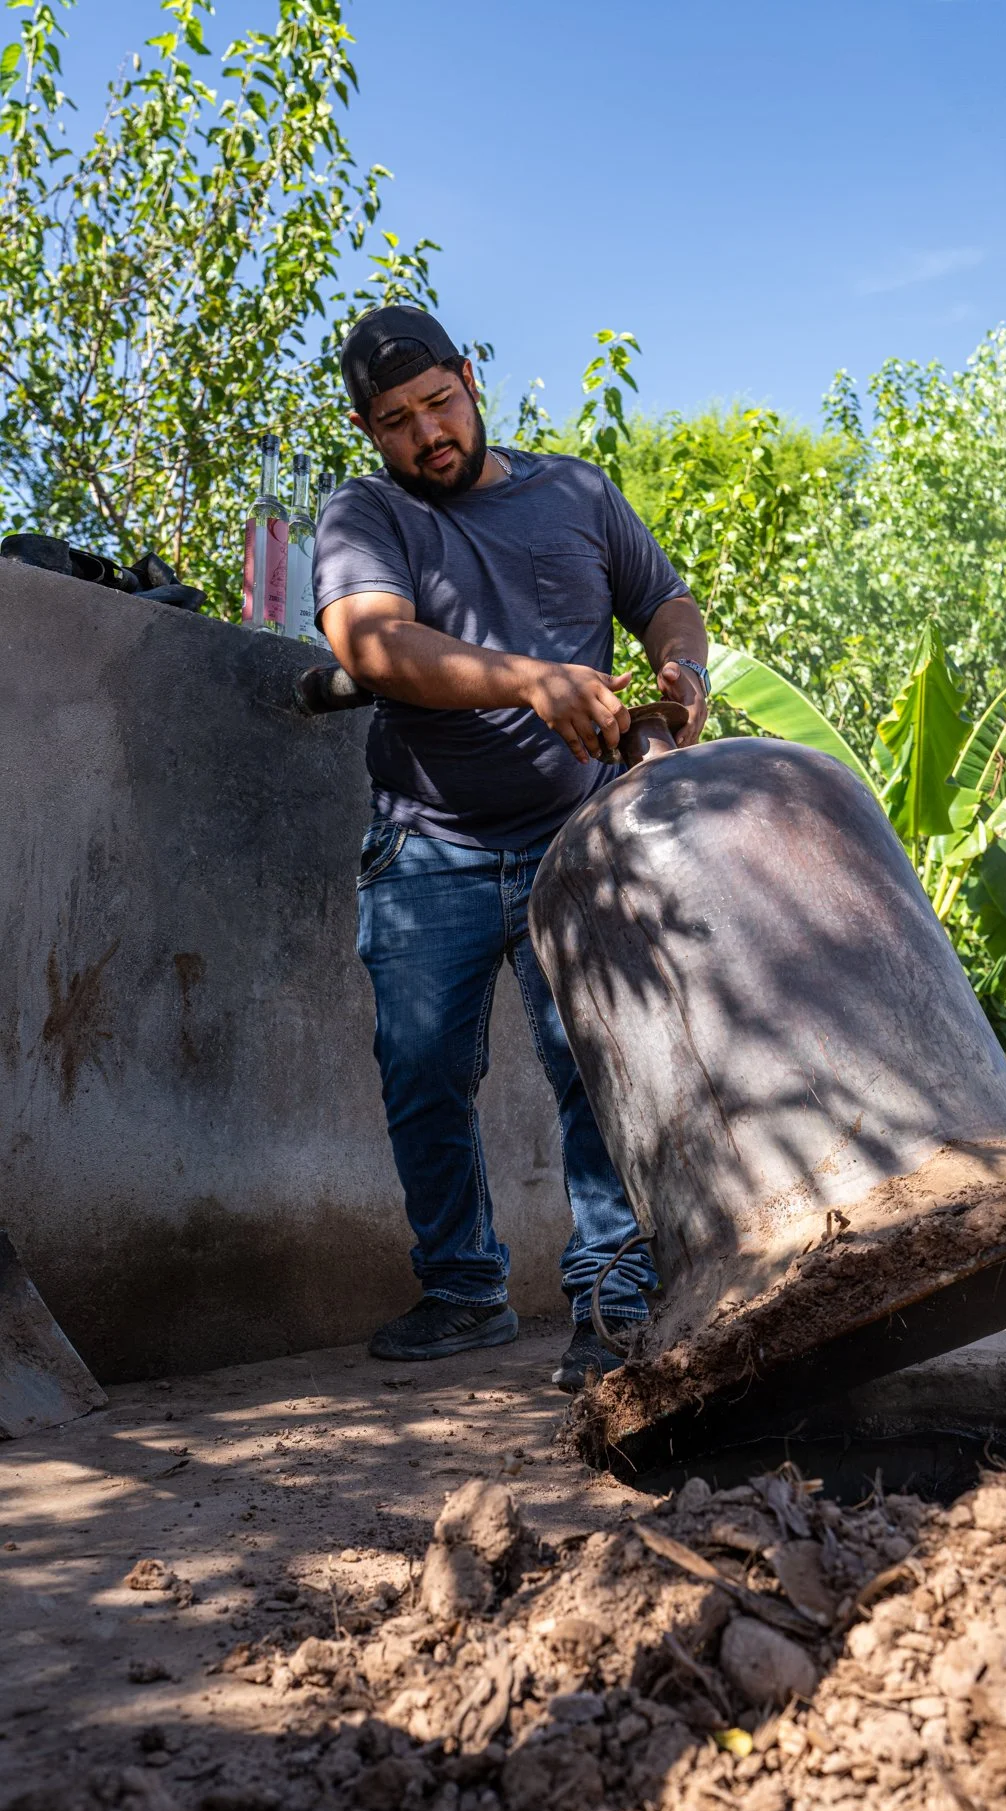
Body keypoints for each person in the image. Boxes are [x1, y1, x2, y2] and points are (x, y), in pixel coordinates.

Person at [313, 303, 709, 1391]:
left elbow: (668, 601)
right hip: (426, 846)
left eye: (439, 402)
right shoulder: (365, 512)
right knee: (423, 1073)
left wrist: (682, 682)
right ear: (368, 428)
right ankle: (463, 1291)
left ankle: (612, 1301)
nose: (427, 433)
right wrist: (531, 679)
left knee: (594, 1067)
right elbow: (370, 642)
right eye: (396, 420)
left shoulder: (575, 491)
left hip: (574, 838)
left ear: (471, 377)